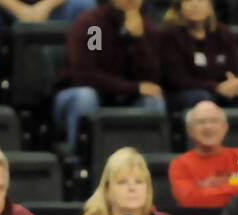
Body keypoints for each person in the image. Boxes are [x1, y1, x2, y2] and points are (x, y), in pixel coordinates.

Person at [53, 0, 166, 160]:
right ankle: (81, 165)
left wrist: (139, 40)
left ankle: (147, 167)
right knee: (86, 96)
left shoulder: (146, 28)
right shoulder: (94, 27)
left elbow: (152, 78)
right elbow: (86, 76)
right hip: (78, 96)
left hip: (123, 96)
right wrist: (134, 88)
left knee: (153, 99)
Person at [159, 0, 238, 113]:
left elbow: (234, 71)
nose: (195, 4)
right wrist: (216, 87)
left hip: (220, 92)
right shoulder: (170, 35)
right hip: (183, 94)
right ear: (179, 6)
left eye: (201, 0)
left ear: (210, 5)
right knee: (203, 99)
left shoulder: (224, 34)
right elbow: (178, 80)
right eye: (189, 1)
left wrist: (234, 83)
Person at [168, 100, 238, 207]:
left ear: (225, 127)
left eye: (214, 121)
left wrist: (207, 193)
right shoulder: (180, 164)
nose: (208, 126)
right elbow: (190, 201)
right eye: (201, 122)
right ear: (189, 130)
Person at [0, 0, 95, 52]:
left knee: (86, 5)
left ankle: (88, 74)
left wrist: (45, 6)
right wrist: (19, 9)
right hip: (4, 9)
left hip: (52, 8)